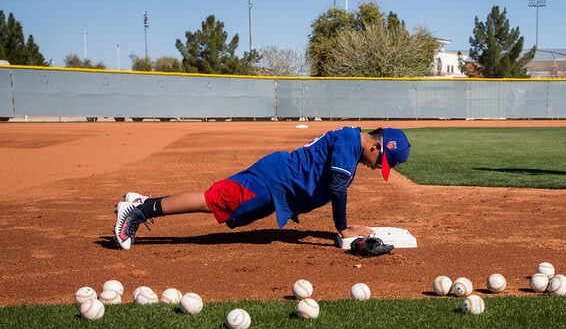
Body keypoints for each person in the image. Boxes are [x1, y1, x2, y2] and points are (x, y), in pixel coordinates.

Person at [113, 126, 411, 250]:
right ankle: (139, 210)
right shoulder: (348, 144)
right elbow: (337, 187)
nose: (375, 167)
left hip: (278, 185)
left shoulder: (350, 139)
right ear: (375, 145)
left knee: (232, 214)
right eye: (380, 161)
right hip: (271, 181)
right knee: (213, 201)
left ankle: (143, 201)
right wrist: (343, 228)